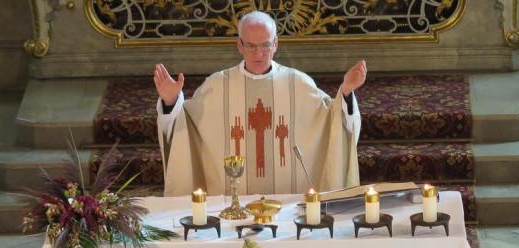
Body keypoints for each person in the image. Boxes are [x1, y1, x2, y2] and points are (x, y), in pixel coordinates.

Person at [154, 11, 367, 196]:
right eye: (251, 46)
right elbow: (186, 124)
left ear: (276, 44)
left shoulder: (298, 83)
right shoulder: (217, 85)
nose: (259, 53)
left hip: (289, 203)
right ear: (239, 45)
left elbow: (332, 119)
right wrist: (171, 101)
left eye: (266, 45)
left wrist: (346, 91)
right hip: (229, 205)